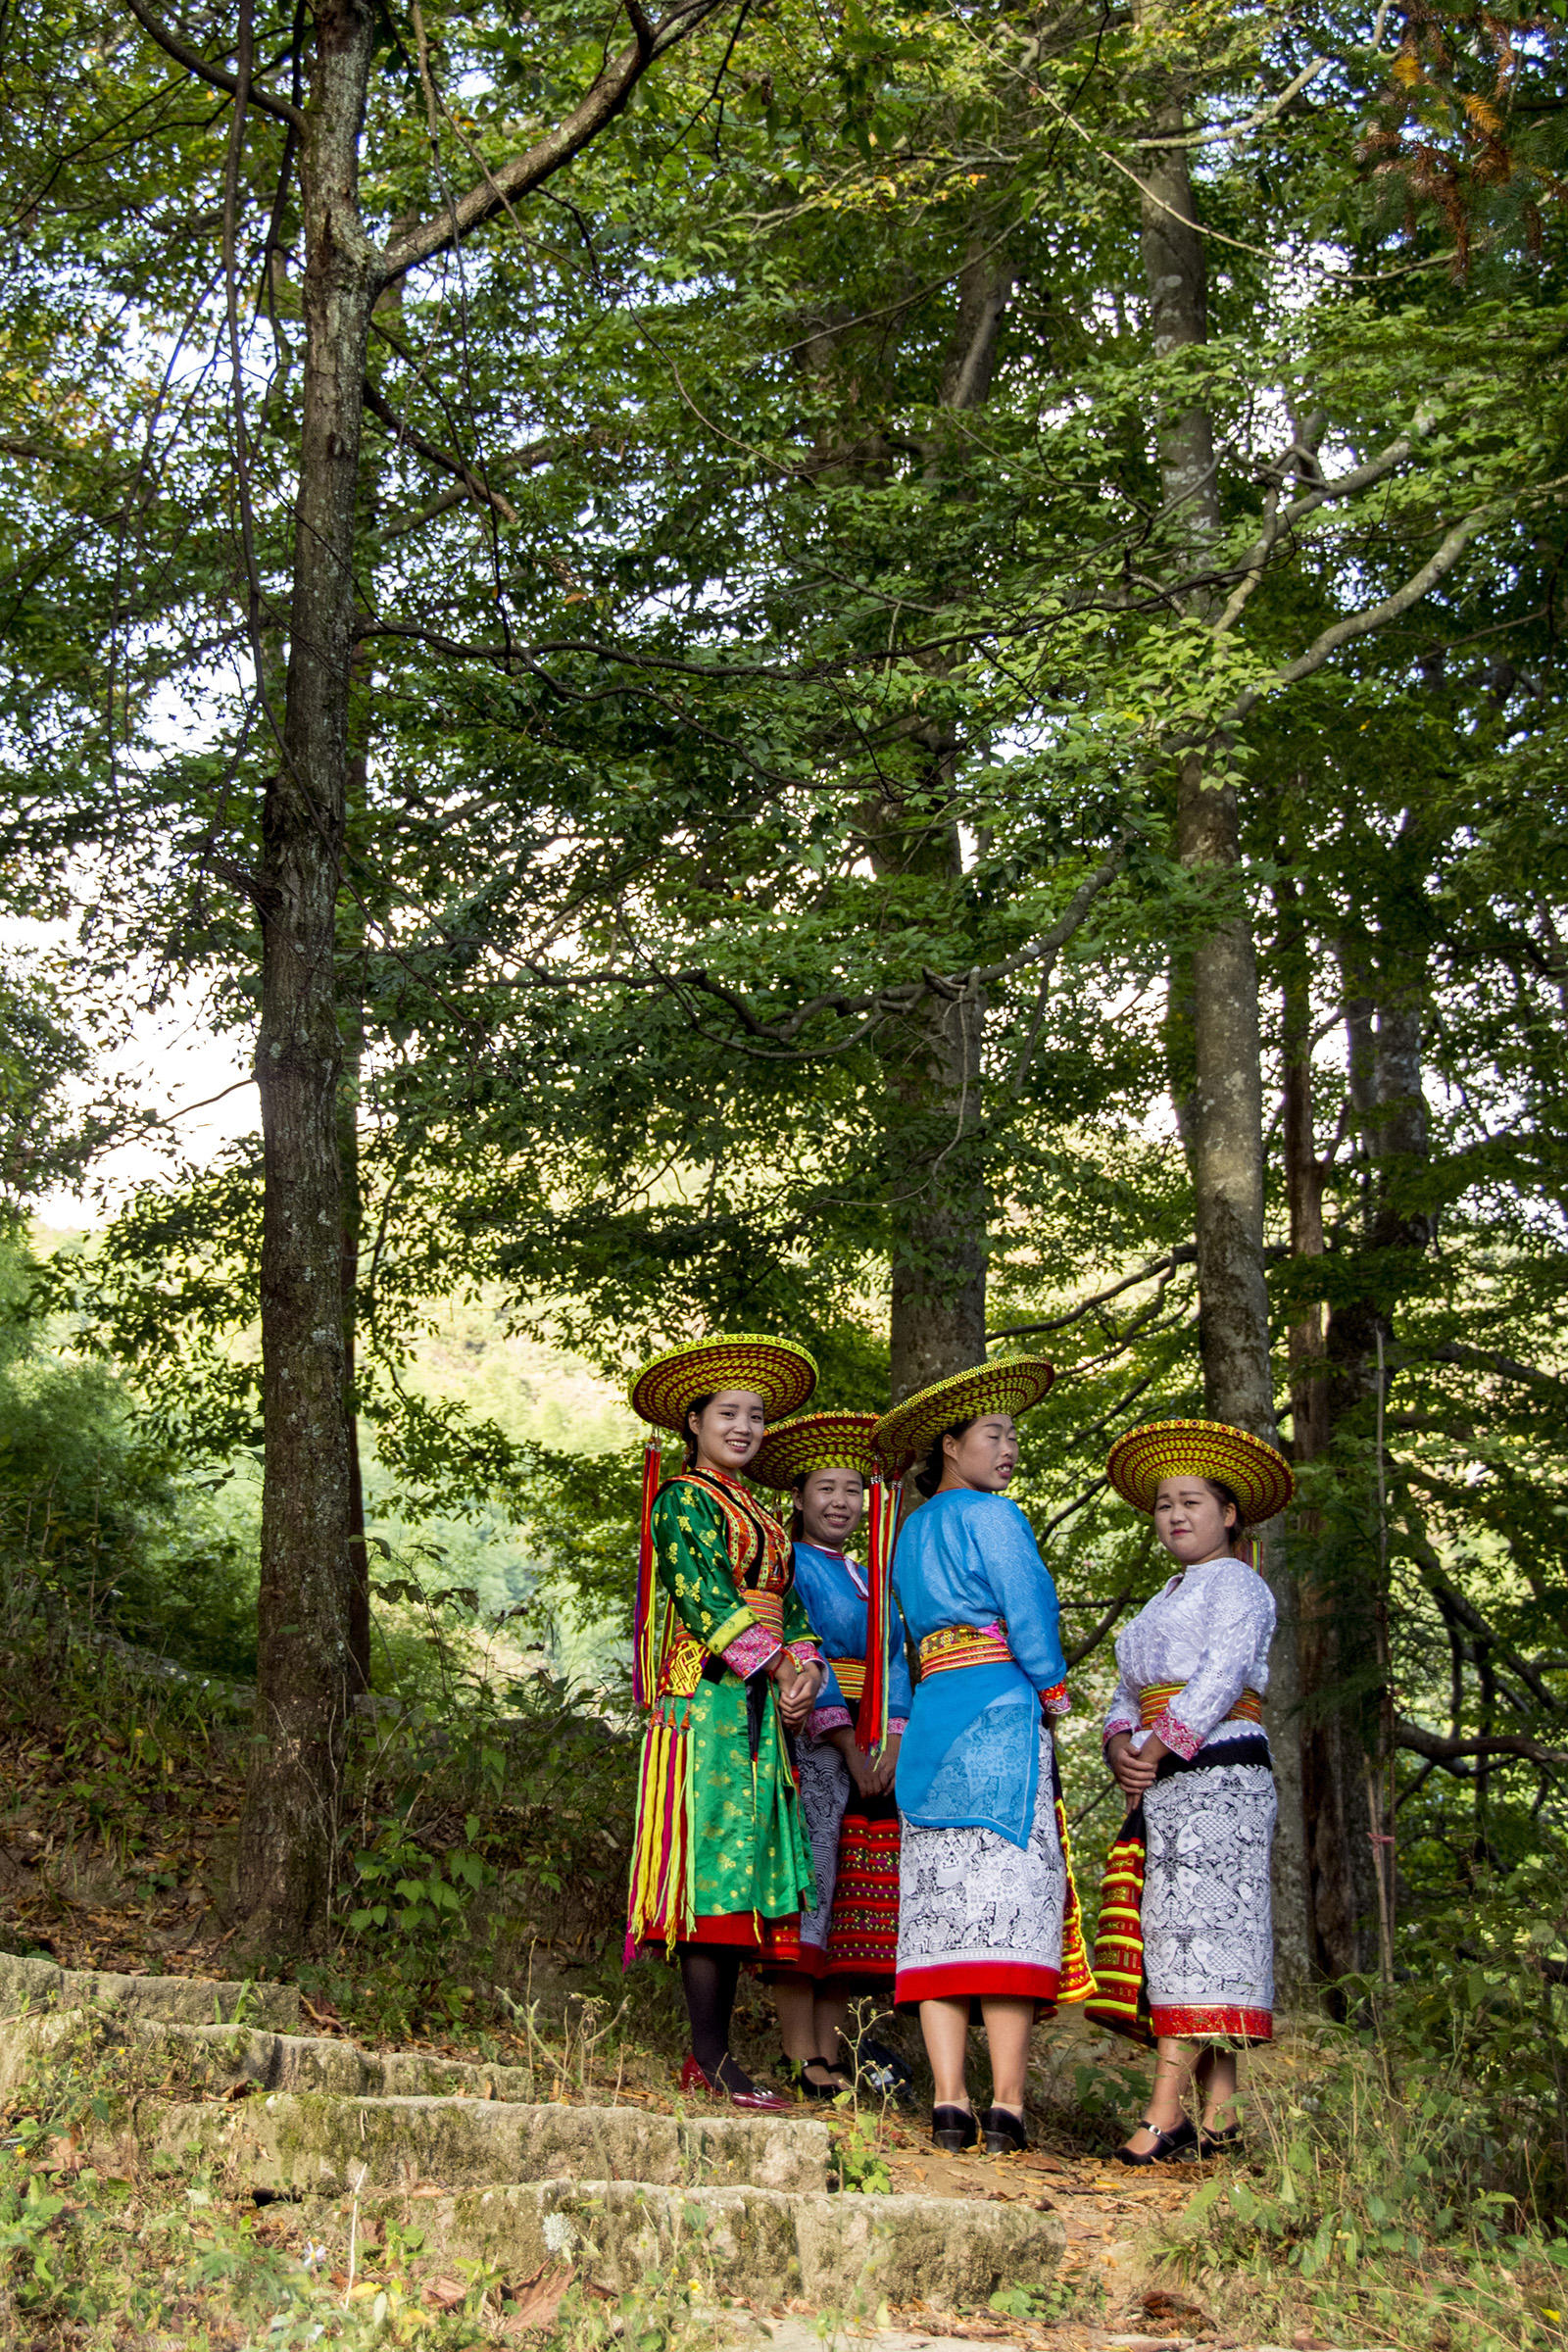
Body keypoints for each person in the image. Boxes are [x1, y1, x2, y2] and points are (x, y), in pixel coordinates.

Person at [873, 1359, 1094, 2156]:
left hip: (933, 1720)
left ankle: (947, 2103)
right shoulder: (995, 1517)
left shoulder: (906, 1535)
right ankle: (1006, 2107)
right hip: (999, 1711)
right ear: (950, 1443)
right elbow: (1030, 1605)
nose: (1008, 1450)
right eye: (993, 1435)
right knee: (1007, 1905)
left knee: (938, 1915)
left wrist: (899, 1721)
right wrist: (1055, 1691)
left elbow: (895, 1643)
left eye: (1012, 1437)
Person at [625, 1334, 826, 2112]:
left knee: (740, 1875)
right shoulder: (682, 1499)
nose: (745, 1428)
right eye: (729, 1414)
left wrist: (805, 1670)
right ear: (695, 1422)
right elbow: (705, 1598)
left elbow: (792, 1608)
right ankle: (707, 2059)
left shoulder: (766, 1518)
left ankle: (713, 2058)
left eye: (756, 1417)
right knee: (710, 1868)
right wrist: (778, 1668)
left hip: (755, 1705)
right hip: (706, 1704)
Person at [1087, 1416, 1294, 2165]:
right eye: (1165, 1504)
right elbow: (1125, 1689)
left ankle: (1164, 2112)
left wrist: (1152, 1747)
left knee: (1206, 1936)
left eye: (1192, 1502)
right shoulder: (1160, 1602)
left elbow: (1222, 1676)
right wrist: (1120, 1742)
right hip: (1166, 1781)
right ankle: (1221, 2118)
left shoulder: (1239, 1584)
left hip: (1222, 1777)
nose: (1175, 1515)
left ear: (1229, 1514)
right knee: (1179, 1935)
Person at [749, 1410, 912, 2100]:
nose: (841, 1502)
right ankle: (799, 2052)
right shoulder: (790, 1568)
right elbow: (802, 1650)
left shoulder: (873, 1575)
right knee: (809, 1889)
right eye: (826, 1489)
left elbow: (897, 1660)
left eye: (852, 1489)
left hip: (873, 1747)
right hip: (814, 1742)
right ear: (798, 1497)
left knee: (849, 1900)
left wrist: (893, 1740)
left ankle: (830, 2047)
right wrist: (846, 1743)